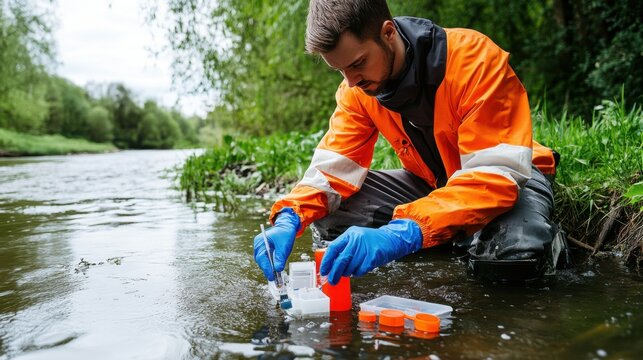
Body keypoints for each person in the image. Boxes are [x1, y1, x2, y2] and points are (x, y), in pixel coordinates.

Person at [254, 0, 568, 285]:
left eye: (358, 63)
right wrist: (288, 218)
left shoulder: (476, 61)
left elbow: (494, 175)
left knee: (514, 256)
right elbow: (332, 170)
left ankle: (521, 239)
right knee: (331, 213)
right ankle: (455, 235)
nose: (351, 81)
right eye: (341, 70)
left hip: (508, 178)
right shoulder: (357, 90)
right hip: (434, 185)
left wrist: (403, 232)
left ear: (388, 33)